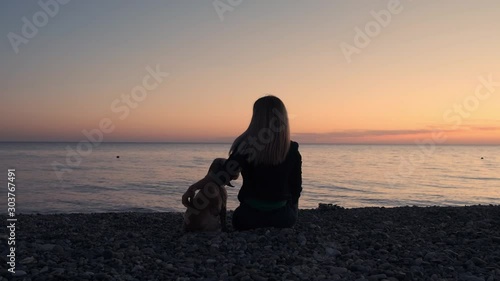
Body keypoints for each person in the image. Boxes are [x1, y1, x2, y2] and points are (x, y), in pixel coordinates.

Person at [182, 95, 302, 230]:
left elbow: (221, 177)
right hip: (283, 219)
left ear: (256, 118)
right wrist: (292, 215)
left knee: (241, 216)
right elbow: (295, 188)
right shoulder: (292, 150)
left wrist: (192, 188)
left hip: (248, 219)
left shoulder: (246, 146)